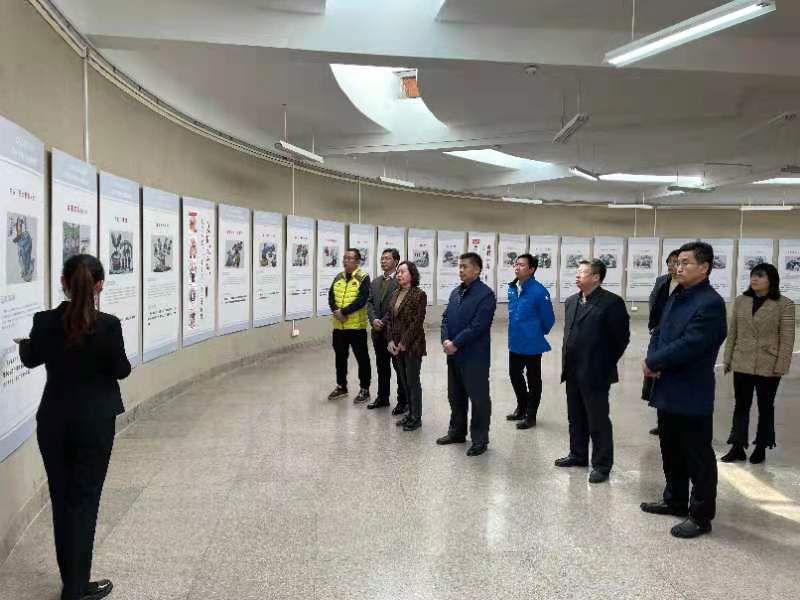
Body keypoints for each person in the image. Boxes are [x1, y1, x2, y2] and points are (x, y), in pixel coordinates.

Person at [18, 254, 131, 600]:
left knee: (62, 500)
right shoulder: (108, 325)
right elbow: (122, 370)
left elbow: (31, 358)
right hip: (95, 423)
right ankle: (75, 589)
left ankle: (73, 583)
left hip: (54, 422)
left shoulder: (44, 321)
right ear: (100, 286)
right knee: (85, 502)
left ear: (63, 283)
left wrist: (25, 346)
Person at [640, 241, 727, 539]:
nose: (678, 267)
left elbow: (692, 343)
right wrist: (652, 358)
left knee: (697, 455)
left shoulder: (710, 303)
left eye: (686, 262)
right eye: (677, 262)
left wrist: (655, 361)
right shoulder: (677, 295)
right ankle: (674, 499)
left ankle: (701, 516)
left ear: (704, 267)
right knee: (671, 449)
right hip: (667, 386)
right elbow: (659, 331)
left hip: (691, 390)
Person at [556, 259, 630, 483]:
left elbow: (621, 339)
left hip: (596, 372)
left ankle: (602, 464)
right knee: (575, 416)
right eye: (577, 272)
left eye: (583, 272)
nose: (577, 275)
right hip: (572, 370)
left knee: (597, 420)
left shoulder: (611, 303)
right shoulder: (572, 301)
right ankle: (578, 454)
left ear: (596, 277)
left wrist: (603, 364)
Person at [721, 263, 795, 464]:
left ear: (771, 280)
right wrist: (728, 359)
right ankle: (737, 446)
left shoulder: (784, 304)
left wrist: (781, 365)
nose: (754, 279)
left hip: (768, 364)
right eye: (753, 275)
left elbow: (787, 339)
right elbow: (733, 333)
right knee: (741, 405)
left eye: (760, 276)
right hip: (742, 361)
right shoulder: (741, 301)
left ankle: (761, 446)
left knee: (766, 406)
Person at [437, 252, 497, 456]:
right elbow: (445, 319)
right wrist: (445, 340)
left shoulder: (485, 295)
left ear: (477, 270)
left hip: (474, 356)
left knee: (478, 399)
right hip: (453, 354)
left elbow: (478, 326)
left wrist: (455, 343)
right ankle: (457, 432)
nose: (461, 270)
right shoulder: (456, 292)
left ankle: (480, 439)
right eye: (459, 266)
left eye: (465, 266)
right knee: (455, 396)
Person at [506, 253, 555, 430]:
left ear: (531, 269)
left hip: (532, 344)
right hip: (515, 341)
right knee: (514, 375)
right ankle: (522, 407)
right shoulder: (513, 288)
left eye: (521, 265)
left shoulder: (539, 291)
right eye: (516, 264)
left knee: (533, 380)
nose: (517, 267)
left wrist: (536, 332)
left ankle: (531, 415)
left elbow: (548, 319)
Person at [383, 261, 427, 431]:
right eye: (398, 272)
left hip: (412, 345)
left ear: (412, 274)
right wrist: (390, 341)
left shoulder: (419, 295)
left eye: (402, 271)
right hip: (396, 346)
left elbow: (417, 322)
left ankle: (416, 417)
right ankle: (410, 413)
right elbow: (389, 320)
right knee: (404, 381)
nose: (399, 275)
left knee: (413, 381)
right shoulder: (395, 293)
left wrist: (403, 343)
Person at [642, 249, 681, 436]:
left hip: (676, 336)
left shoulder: (686, 284)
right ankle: (662, 421)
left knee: (673, 379)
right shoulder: (662, 281)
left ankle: (675, 421)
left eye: (676, 262)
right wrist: (653, 324)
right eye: (669, 262)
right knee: (657, 378)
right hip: (659, 333)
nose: (672, 265)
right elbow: (654, 301)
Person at [327, 248, 372, 403]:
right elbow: (331, 296)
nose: (346, 261)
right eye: (345, 258)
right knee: (340, 357)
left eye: (350, 258)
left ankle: (365, 389)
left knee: (362, 359)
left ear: (357, 261)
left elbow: (362, 299)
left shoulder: (363, 278)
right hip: (339, 327)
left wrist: (344, 312)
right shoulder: (338, 277)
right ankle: (341, 386)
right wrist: (335, 310)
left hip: (356, 327)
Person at [365, 248, 407, 412]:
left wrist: (382, 321)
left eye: (387, 258)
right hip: (377, 333)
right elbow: (369, 302)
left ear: (396, 261)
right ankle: (382, 398)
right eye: (382, 258)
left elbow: (398, 307)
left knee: (399, 369)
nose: (383, 261)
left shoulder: (400, 282)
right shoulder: (375, 282)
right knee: (382, 367)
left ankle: (403, 401)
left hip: (394, 334)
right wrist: (373, 320)